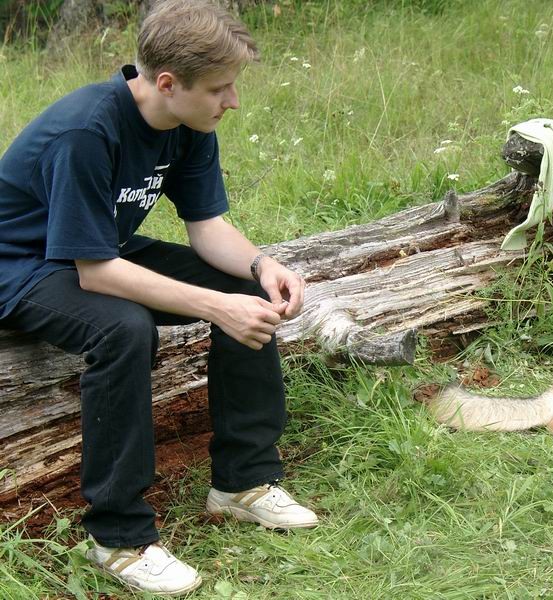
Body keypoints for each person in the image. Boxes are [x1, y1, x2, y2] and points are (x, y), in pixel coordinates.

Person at [0, 0, 317, 595]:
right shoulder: (87, 130)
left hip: (95, 248)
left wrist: (261, 264)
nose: (233, 101)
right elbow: (96, 274)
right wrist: (211, 306)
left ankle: (242, 483)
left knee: (244, 290)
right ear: (168, 83)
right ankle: (118, 539)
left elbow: (208, 227)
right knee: (122, 327)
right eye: (221, 89)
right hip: (21, 263)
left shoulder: (187, 123)